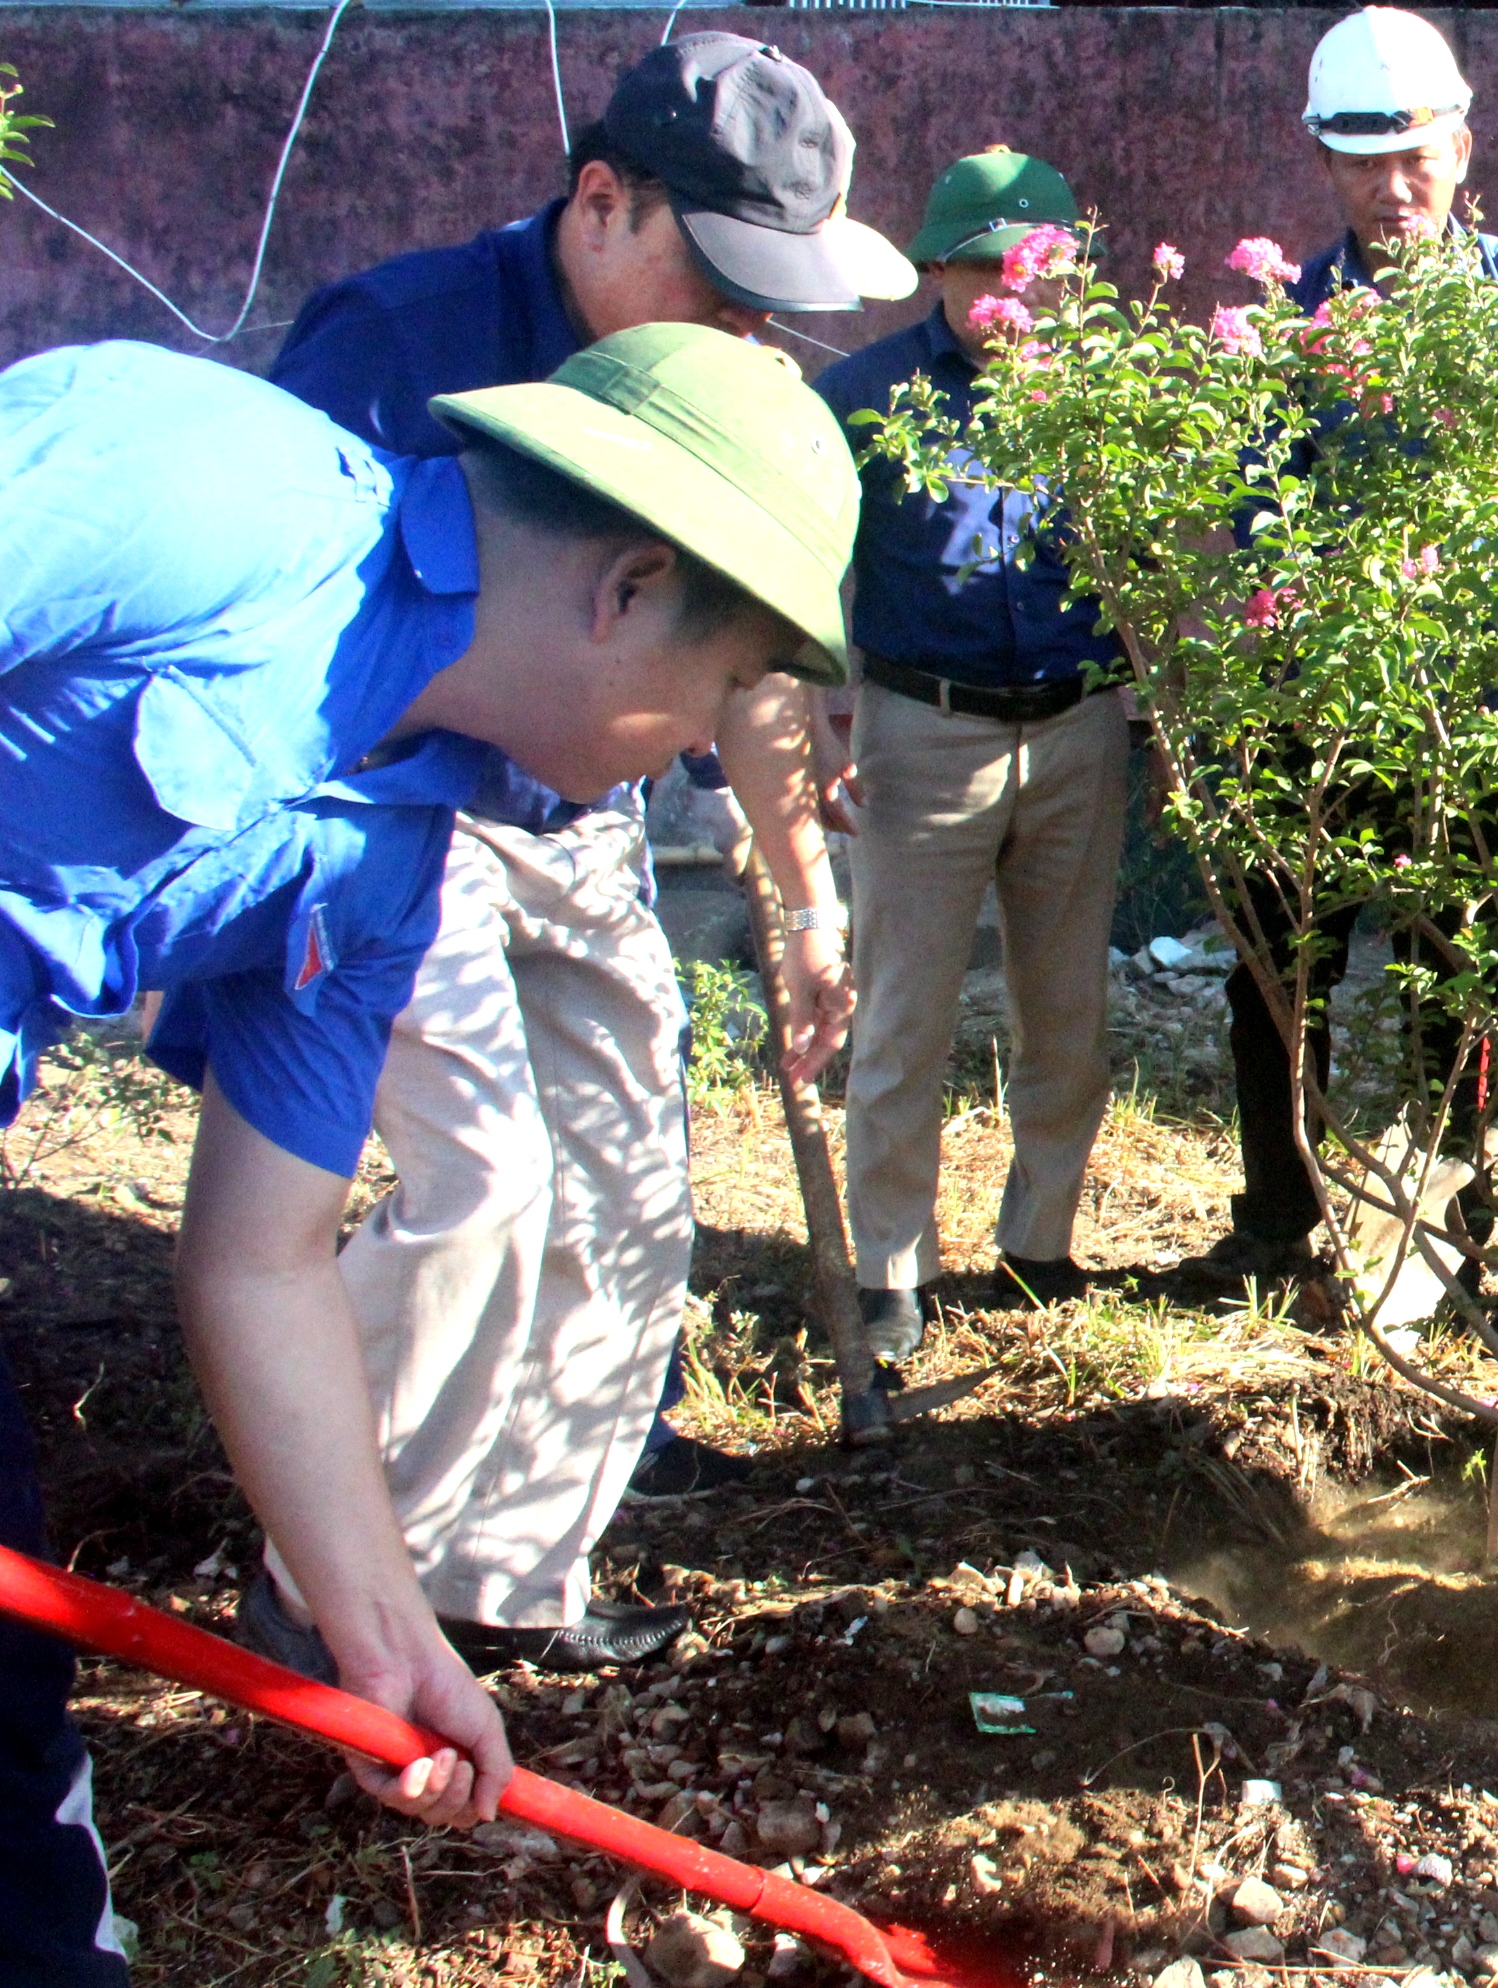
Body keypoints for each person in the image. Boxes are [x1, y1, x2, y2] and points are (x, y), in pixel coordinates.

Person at [0, 323, 856, 1984]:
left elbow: (263, 1255)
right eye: (725, 688)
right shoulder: (195, 488)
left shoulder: (383, 862)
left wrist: (378, 1632)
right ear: (625, 589)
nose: (698, 746)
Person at [254, 32, 907, 1674]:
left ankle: (510, 1571)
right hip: (395, 810)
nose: (751, 331)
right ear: (602, 203)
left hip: (577, 818)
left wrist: (806, 897)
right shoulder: (402, 344)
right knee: (485, 1183)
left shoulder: (724, 384)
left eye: (775, 299)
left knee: (627, 1188)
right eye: (725, 282)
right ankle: (337, 1582)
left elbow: (734, 662)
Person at [1155, 6, 1498, 1301]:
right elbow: (1260, 518)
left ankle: (1465, 1230)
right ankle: (1279, 1224)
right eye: (1359, 161)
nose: (1392, 188)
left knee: (1468, 975)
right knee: (1277, 972)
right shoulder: (1291, 319)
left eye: (1414, 155)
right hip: (1314, 706)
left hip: (1477, 714)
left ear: (1460, 141)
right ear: (1323, 163)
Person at [816, 148, 1128, 1383]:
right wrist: (814, 718)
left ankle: (1039, 1241)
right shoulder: (862, 395)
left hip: (1076, 727)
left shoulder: (1116, 397)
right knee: (905, 1011)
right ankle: (892, 1264)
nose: (1015, 291)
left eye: (1040, 268)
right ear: (937, 269)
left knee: (1068, 1008)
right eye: (989, 266)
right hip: (920, 728)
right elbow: (809, 563)